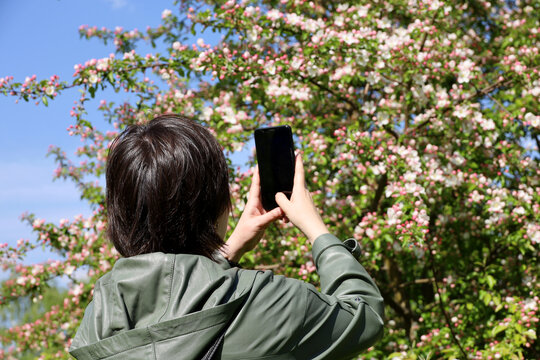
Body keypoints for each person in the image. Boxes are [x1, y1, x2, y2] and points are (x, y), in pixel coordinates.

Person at [69, 114, 384, 360]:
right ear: (217, 202)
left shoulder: (100, 317)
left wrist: (225, 252)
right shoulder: (269, 301)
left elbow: (171, 315)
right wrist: (318, 231)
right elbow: (365, 316)